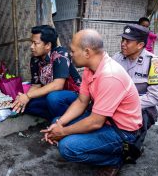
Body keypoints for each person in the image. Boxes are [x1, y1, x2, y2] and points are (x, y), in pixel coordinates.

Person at [41, 29, 142, 175]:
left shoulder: (110, 76)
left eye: (73, 51)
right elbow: (82, 101)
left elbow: (95, 122)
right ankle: (100, 149)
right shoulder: (90, 68)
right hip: (105, 121)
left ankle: (115, 159)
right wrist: (60, 125)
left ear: (87, 53)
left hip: (122, 132)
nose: (70, 54)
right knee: (57, 121)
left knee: (67, 147)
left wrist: (63, 132)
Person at [12, 25, 81, 122]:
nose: (32, 47)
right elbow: (36, 85)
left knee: (53, 98)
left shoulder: (60, 54)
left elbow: (58, 85)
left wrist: (28, 96)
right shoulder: (35, 59)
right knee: (25, 105)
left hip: (74, 95)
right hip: (51, 96)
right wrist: (24, 98)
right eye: (31, 43)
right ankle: (57, 119)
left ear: (48, 45)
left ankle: (70, 121)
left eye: (35, 43)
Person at [113, 24, 158, 137]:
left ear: (140, 45)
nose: (123, 44)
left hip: (144, 107)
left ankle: (134, 143)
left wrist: (124, 105)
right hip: (118, 103)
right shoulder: (117, 58)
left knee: (128, 131)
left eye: (128, 41)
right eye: (123, 40)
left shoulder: (154, 63)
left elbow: (154, 98)